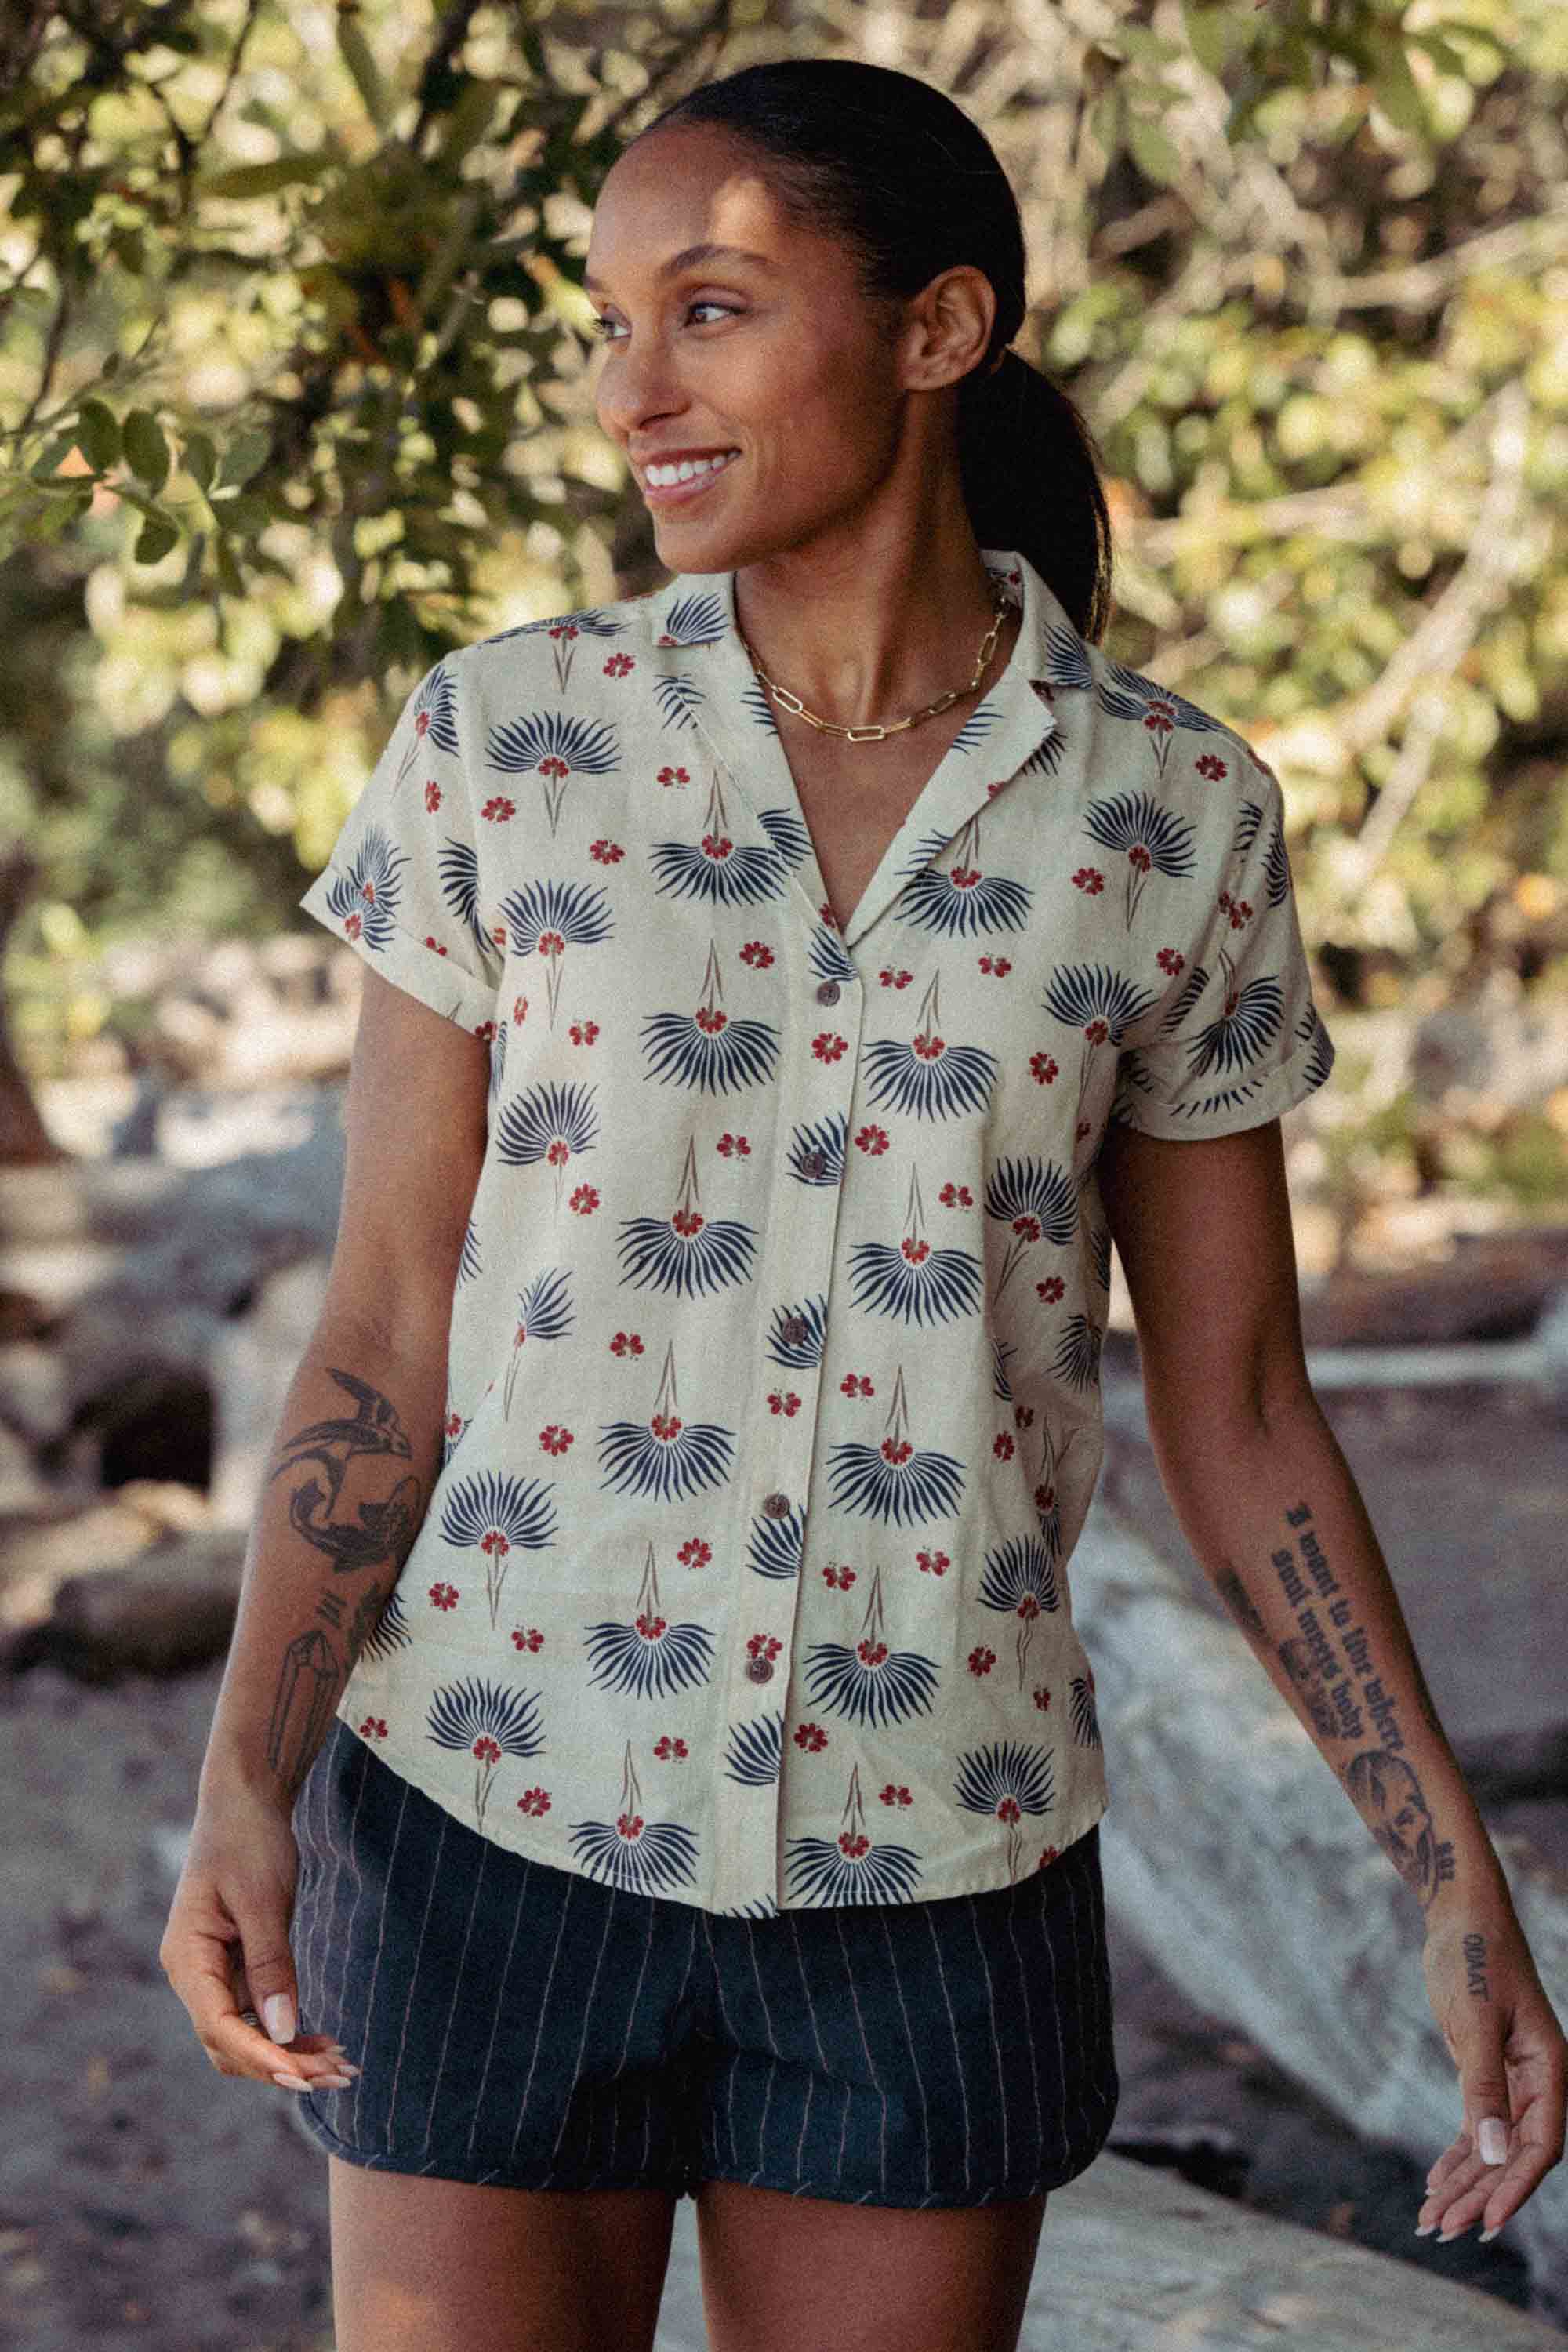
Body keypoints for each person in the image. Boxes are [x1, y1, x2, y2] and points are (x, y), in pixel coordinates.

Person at [161, 55, 1566, 2352]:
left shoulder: (1171, 818)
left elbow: (1243, 1409)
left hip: (942, 1860)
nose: (636, 389)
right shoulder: (506, 748)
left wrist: (1447, 1872)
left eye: (708, 310)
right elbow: (383, 1328)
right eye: (611, 325)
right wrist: (247, 1784)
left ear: (937, 329)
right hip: (488, 1814)